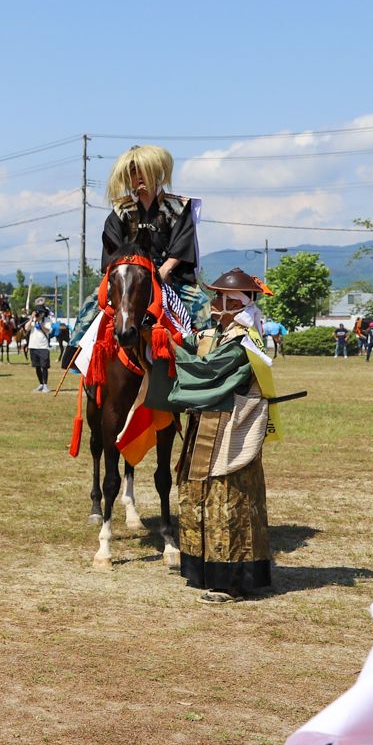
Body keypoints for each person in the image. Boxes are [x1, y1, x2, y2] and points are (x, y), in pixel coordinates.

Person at [150, 269, 276, 603]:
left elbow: (208, 370)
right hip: (205, 425)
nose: (213, 302)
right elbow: (193, 343)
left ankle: (231, 580)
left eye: (220, 297)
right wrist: (167, 335)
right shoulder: (217, 334)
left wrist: (173, 350)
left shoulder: (243, 341)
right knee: (197, 493)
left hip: (230, 430)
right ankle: (204, 568)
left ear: (236, 305)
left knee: (226, 498)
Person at [70, 145, 204, 354]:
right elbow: (112, 249)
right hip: (130, 274)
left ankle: (207, 361)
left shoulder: (178, 207)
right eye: (133, 172)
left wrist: (162, 272)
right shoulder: (121, 210)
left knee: (203, 307)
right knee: (91, 304)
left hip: (167, 275)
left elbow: (181, 245)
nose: (138, 177)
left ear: (156, 172)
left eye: (143, 170)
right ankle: (77, 355)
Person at [27, 299, 54, 392]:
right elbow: (26, 328)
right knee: (37, 366)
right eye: (38, 312)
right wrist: (32, 319)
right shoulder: (33, 320)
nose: (39, 313)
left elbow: (48, 330)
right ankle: (41, 384)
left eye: (41, 312)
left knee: (44, 366)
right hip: (33, 345)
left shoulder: (47, 320)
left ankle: (45, 385)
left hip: (43, 346)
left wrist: (40, 323)